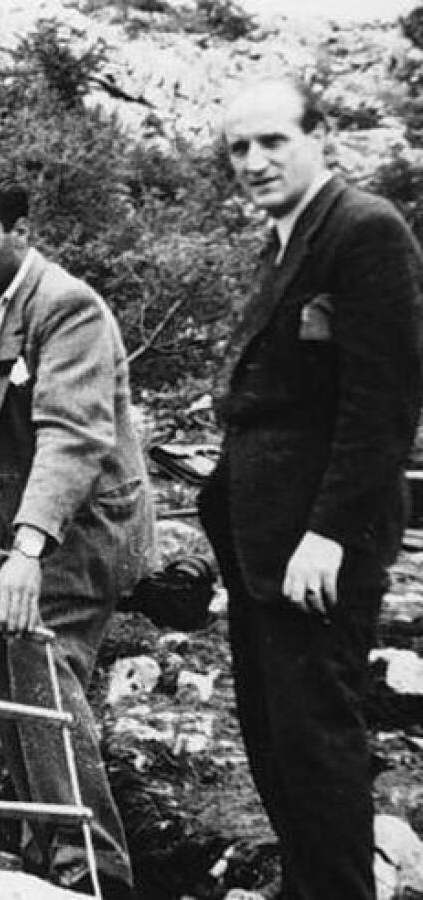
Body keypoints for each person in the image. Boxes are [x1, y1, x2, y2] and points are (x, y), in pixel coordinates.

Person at [199, 77, 423, 900]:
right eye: (238, 148)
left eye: (272, 142)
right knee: (275, 744)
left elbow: (384, 404)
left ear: (318, 135)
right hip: (265, 546)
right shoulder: (286, 238)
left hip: (317, 550)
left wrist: (328, 533)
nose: (254, 162)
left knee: (317, 747)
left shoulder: (365, 231)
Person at [0, 172, 153, 900]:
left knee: (41, 669)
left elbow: (71, 437)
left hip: (83, 530)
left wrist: (27, 550)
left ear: (22, 233)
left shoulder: (66, 307)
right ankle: (46, 849)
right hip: (32, 527)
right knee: (15, 672)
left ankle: (92, 867)